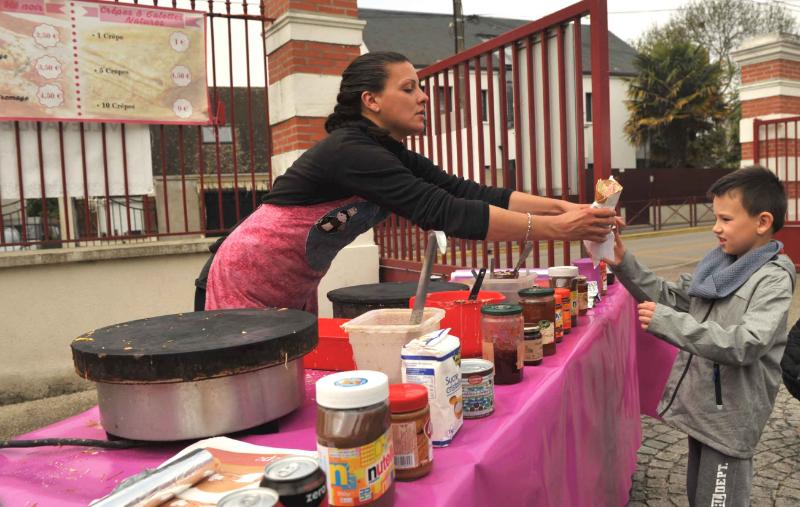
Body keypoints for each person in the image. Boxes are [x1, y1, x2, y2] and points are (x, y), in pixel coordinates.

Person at [198, 51, 617, 313]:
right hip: (246, 279)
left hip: (295, 281)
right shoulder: (351, 151)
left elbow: (465, 192)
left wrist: (563, 208)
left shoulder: (385, 150)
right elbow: (443, 213)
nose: (423, 97)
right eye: (409, 88)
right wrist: (556, 230)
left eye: (421, 88)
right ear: (372, 100)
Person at [605, 166, 795, 506]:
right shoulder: (721, 264)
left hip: (730, 421)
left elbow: (746, 343)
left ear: (762, 222)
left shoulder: (773, 280)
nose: (715, 228)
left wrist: (670, 324)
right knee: (700, 498)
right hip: (704, 413)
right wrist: (623, 262)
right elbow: (672, 297)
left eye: (725, 219)